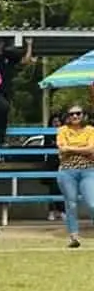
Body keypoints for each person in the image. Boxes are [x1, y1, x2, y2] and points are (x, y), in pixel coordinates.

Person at [56, 103, 94, 249]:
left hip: (88, 170)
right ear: (68, 116)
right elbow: (62, 149)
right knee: (70, 204)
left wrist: (71, 148)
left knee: (92, 204)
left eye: (78, 113)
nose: (75, 116)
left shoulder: (90, 130)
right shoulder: (62, 130)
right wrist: (83, 149)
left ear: (83, 115)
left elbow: (91, 148)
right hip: (67, 171)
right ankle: (74, 237)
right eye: (72, 114)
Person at [0, 39, 33, 147]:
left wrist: (29, 44)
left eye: (1, 42)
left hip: (6, 91)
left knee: (2, 117)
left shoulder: (9, 56)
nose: (0, 44)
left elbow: (25, 61)